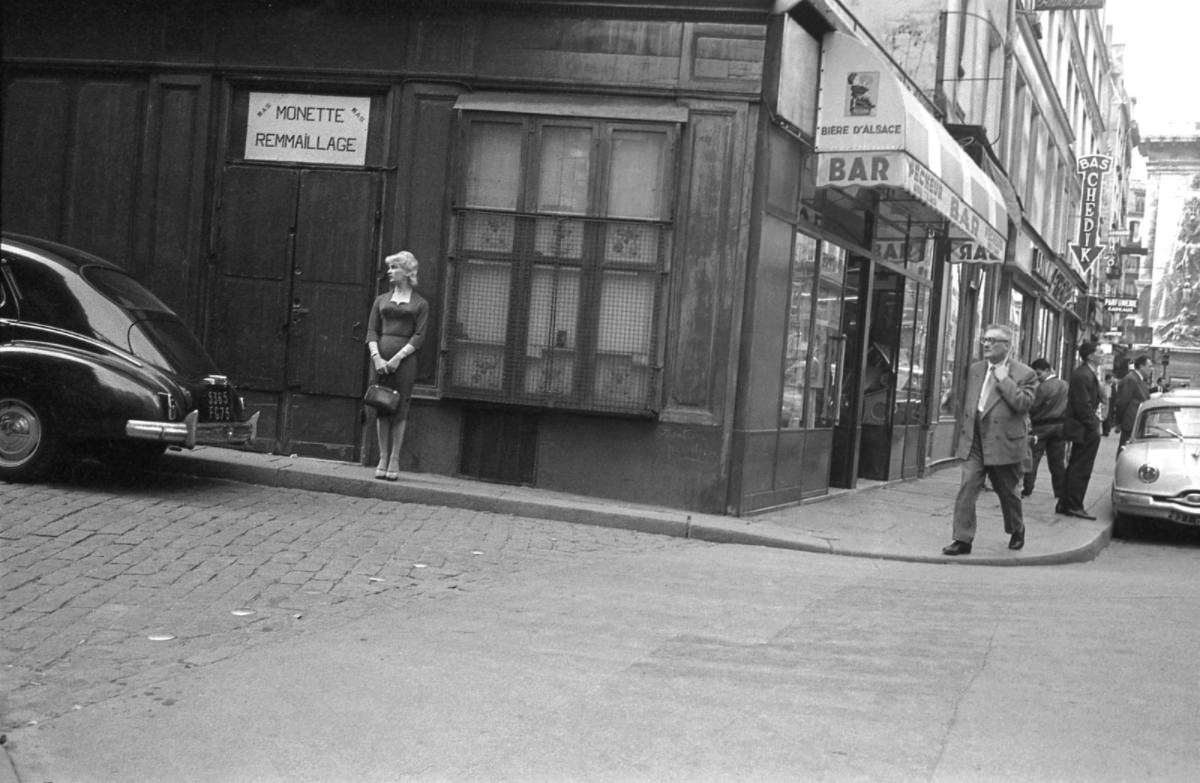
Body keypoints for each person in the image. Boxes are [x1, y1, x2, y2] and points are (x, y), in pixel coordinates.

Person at [942, 324, 1037, 556]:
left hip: (1003, 442)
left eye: (993, 341)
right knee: (968, 487)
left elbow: (1024, 404)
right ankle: (962, 539)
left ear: (1007, 346)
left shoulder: (1025, 373)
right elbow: (968, 400)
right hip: (975, 438)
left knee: (1007, 491)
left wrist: (1005, 380)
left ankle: (1017, 528)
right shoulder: (975, 369)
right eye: (985, 339)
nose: (986, 344)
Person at [365, 251, 428, 481]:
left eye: (394, 268)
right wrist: (377, 357)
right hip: (380, 359)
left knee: (400, 408)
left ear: (407, 271)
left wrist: (398, 357)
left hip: (405, 362)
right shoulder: (381, 300)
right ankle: (382, 457)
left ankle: (394, 458)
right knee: (381, 405)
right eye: (389, 268)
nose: (390, 272)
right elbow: (372, 330)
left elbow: (419, 336)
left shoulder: (420, 304)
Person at [1060, 340, 1102, 519]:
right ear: (1091, 355)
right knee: (1081, 467)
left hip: (1084, 427)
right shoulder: (1083, 375)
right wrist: (1094, 425)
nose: (1103, 355)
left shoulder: (1087, 374)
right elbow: (1083, 405)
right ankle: (1074, 505)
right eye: (1099, 352)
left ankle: (1065, 503)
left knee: (1076, 465)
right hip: (1083, 428)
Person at [1022, 358, 1069, 499]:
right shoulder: (1065, 385)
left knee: (1033, 459)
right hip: (1060, 427)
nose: (1037, 377)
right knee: (1057, 462)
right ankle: (1060, 491)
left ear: (1048, 370)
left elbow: (1033, 407)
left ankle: (1027, 488)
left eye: (1038, 373)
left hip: (1041, 428)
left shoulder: (1042, 388)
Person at [1113, 354, 1152, 449]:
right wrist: (1118, 422)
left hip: (1137, 423)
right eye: (1149, 366)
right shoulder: (1131, 379)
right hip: (1131, 423)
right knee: (1125, 449)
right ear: (1141, 366)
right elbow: (1123, 402)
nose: (1151, 369)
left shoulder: (1140, 380)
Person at [1100, 371, 1115, 436]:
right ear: (1108, 379)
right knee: (1106, 416)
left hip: (1108, 402)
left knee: (1107, 416)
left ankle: (1106, 430)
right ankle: (1105, 431)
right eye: (1112, 378)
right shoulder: (1106, 386)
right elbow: (1106, 397)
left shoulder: (1108, 386)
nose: (1113, 379)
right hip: (1107, 402)